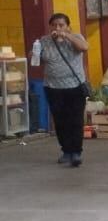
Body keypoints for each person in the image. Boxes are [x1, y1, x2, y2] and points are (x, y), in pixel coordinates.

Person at [32, 12, 90, 167]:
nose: (57, 28)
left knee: (75, 120)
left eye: (61, 25)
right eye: (55, 25)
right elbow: (36, 61)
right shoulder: (44, 41)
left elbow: (84, 47)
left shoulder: (76, 38)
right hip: (53, 88)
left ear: (67, 26)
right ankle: (66, 151)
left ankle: (76, 152)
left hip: (75, 87)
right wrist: (34, 53)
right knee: (60, 120)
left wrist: (67, 36)